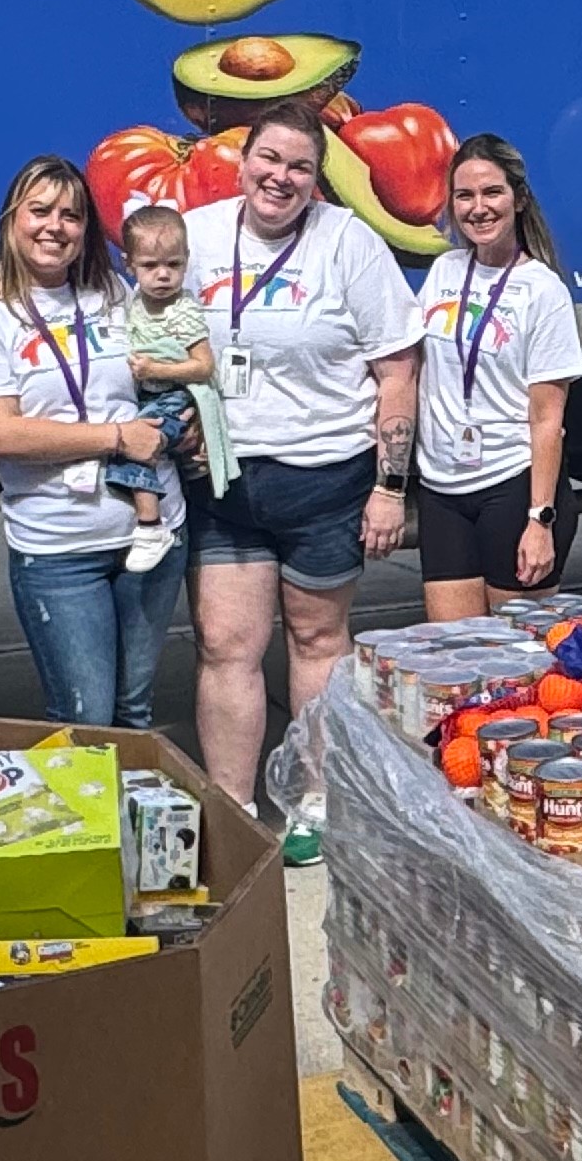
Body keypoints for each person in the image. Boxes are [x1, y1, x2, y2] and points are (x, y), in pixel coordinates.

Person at [182, 108, 418, 823]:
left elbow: (398, 371)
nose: (280, 177)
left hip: (325, 481)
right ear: (242, 161)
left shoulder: (348, 242)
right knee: (226, 646)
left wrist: (389, 488)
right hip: (223, 483)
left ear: (317, 181)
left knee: (315, 640)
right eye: (269, 159)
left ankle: (315, 802)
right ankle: (234, 809)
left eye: (299, 167)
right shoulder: (195, 237)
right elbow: (151, 340)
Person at [0, 156, 177, 727]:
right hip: (58, 548)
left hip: (152, 531)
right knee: (85, 718)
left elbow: (155, 380)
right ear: (10, 221)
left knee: (135, 712)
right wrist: (117, 438)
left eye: (71, 215)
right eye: (40, 211)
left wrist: (181, 423)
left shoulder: (111, 293)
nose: (55, 226)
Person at [413, 134, 582, 621]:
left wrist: (540, 520)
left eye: (492, 192)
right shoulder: (444, 271)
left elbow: (547, 419)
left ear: (519, 199)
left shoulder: (543, 291)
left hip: (512, 485)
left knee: (515, 655)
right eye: (464, 195)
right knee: (453, 652)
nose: (478, 208)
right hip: (443, 488)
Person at [110, 203, 229, 576]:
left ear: (187, 261)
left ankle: (151, 527)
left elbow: (203, 365)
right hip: (146, 393)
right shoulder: (134, 303)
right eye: (150, 266)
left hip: (174, 395)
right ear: (129, 265)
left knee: (137, 447)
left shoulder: (183, 311)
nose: (163, 275)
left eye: (173, 265)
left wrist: (155, 369)